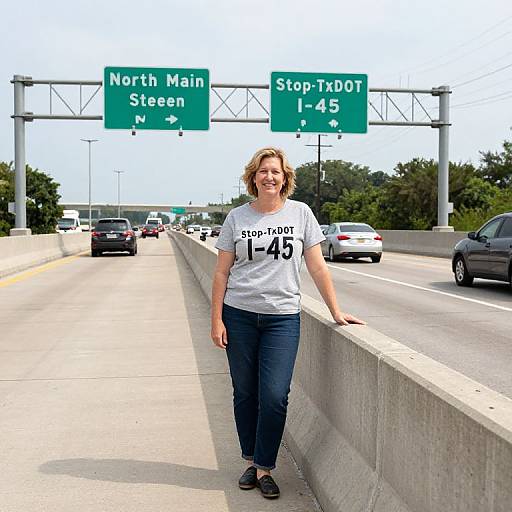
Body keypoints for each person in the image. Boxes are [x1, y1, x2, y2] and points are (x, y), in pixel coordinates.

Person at [211, 147, 365, 499]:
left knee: (275, 395)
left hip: (283, 318)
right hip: (240, 315)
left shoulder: (300, 213)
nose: (269, 177)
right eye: (263, 171)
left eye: (275, 172)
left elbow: (317, 266)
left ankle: (266, 466)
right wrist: (217, 319)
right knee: (245, 393)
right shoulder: (237, 218)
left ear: (285, 178)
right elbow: (221, 273)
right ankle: (251, 462)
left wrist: (335, 311)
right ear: (254, 177)